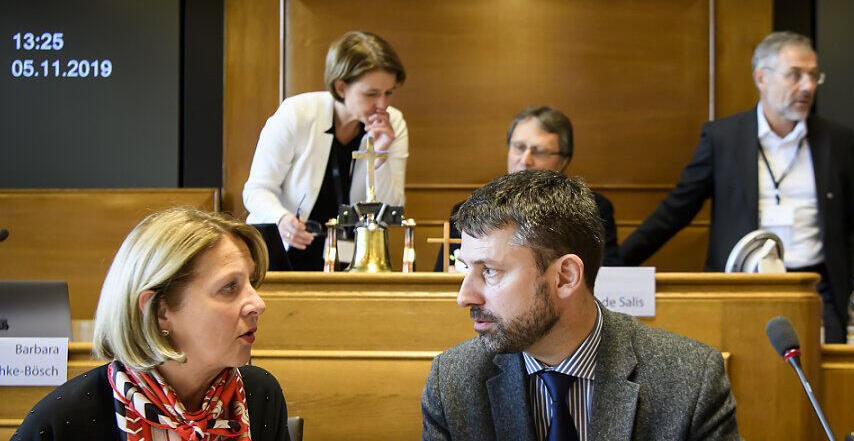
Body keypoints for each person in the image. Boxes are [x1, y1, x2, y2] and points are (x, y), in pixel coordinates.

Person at [421, 170, 740, 440]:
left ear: (565, 277)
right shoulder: (454, 382)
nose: (464, 297)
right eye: (467, 269)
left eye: (489, 271)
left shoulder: (690, 382)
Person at [619, 31, 854, 343]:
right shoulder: (723, 138)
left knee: (824, 383)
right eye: (795, 75)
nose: (807, 86)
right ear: (761, 78)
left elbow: (853, 225)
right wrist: (614, 265)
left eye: (813, 75)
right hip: (743, 286)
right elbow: (676, 210)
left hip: (817, 288)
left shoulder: (837, 140)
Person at [13, 207, 289, 441]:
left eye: (251, 283)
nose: (258, 304)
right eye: (230, 287)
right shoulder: (65, 420)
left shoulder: (260, 394)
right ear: (160, 310)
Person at [244, 31, 408, 270]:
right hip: (286, 249)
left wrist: (380, 158)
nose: (382, 104)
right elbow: (256, 190)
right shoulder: (296, 113)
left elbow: (389, 212)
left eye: (388, 92)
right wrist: (281, 218)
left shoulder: (394, 124)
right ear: (340, 87)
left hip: (351, 257)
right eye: (371, 94)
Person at [435, 106, 621, 271]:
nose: (525, 160)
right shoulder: (467, 211)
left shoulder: (594, 210)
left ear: (562, 161)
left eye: (538, 151)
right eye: (519, 147)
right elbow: (438, 278)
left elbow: (609, 278)